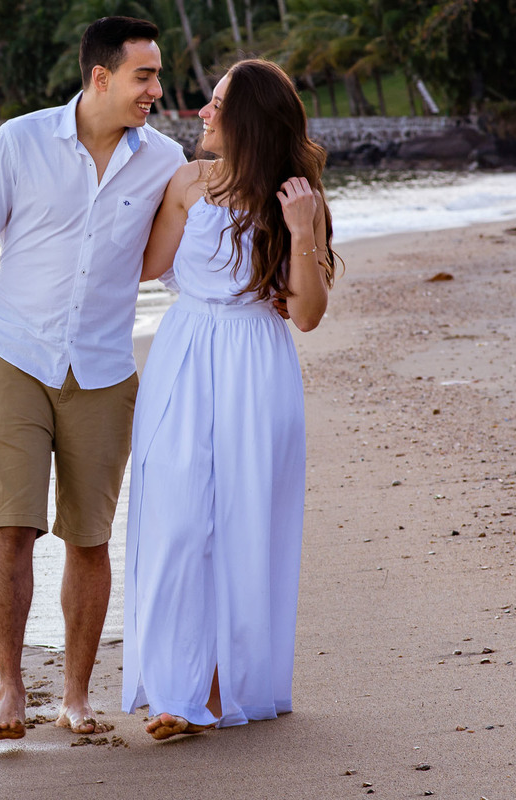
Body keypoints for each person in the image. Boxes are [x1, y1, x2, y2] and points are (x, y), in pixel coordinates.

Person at [0, 16, 186, 742]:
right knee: (10, 526)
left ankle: (75, 695)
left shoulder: (163, 160)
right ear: (100, 78)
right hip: (14, 354)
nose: (157, 91)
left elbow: (172, 264)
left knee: (89, 536)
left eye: (158, 75)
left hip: (104, 368)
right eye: (145, 76)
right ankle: (11, 690)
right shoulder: (19, 140)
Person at [120, 58, 340, 740]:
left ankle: (214, 692)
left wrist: (301, 230)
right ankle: (176, 690)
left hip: (255, 363)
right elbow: (145, 266)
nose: (203, 114)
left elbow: (306, 314)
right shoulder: (186, 183)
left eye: (216, 104)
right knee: (179, 519)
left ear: (246, 119)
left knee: (243, 524)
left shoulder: (297, 197)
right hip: (183, 355)